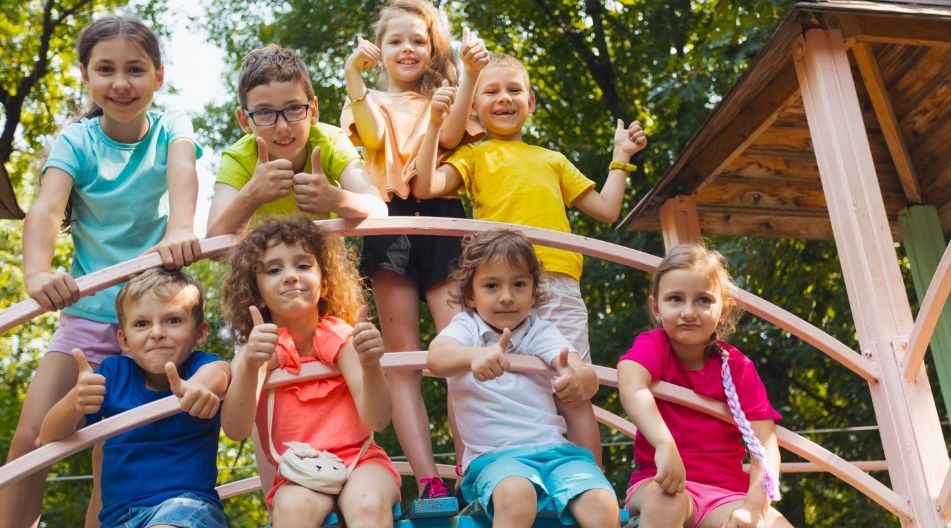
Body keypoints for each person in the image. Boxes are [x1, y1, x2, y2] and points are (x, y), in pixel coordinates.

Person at [2, 15, 204, 528]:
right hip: (88, 318)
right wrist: (37, 273)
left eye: (135, 69)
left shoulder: (171, 128)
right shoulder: (77, 141)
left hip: (149, 317)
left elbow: (183, 172)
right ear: (87, 77)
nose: (121, 83)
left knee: (111, 451)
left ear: (158, 76)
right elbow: (48, 209)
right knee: (31, 440)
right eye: (106, 69)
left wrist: (181, 226)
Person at [413, 52, 648, 465]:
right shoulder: (474, 155)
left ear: (531, 102)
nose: (504, 98)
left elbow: (607, 209)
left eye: (514, 90)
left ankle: (589, 483)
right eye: (491, 91)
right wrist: (435, 124)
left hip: (557, 283)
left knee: (573, 388)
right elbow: (428, 184)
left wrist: (621, 156)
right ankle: (486, 474)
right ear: (473, 107)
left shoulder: (552, 159)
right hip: (501, 289)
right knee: (490, 386)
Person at [339, 0, 488, 499]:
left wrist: (467, 77)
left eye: (418, 41)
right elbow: (377, 137)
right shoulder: (365, 98)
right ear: (378, 52)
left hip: (444, 217)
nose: (407, 49)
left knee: (460, 348)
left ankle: (473, 469)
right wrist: (352, 79)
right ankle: (428, 480)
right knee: (401, 357)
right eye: (395, 41)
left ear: (432, 50)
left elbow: (448, 136)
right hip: (388, 220)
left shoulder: (444, 97)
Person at [427, 229, 620, 528]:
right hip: (495, 459)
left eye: (519, 284)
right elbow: (436, 358)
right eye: (492, 286)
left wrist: (577, 378)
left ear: (533, 291)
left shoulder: (537, 329)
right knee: (517, 495)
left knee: (602, 504)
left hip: (558, 454)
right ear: (470, 295)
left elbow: (580, 370)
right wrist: (473, 356)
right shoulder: (466, 327)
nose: (507, 297)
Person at [220, 217, 400, 527]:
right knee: (291, 510)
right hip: (299, 472)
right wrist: (250, 365)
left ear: (325, 281)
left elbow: (378, 419)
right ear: (258, 292)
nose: (290, 276)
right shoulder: (259, 349)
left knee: (368, 503)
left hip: (361, 460)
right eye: (274, 270)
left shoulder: (341, 337)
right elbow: (235, 429)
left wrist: (370, 366)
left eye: (302, 266)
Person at [37, 268, 231, 528]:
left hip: (185, 508)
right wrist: (74, 402)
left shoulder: (201, 366)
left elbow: (220, 372)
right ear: (124, 339)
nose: (157, 332)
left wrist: (198, 387)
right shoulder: (113, 374)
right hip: (118, 519)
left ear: (200, 333)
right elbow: (48, 436)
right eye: (142, 324)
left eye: (173, 320)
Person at [617, 244, 792, 528]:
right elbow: (630, 381)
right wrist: (664, 445)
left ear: (724, 309)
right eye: (675, 299)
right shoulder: (655, 345)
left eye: (703, 300)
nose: (689, 311)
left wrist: (753, 507)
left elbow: (764, 444)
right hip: (661, 481)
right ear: (655, 308)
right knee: (667, 501)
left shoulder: (736, 366)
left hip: (725, 495)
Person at [206, 44, 387, 237]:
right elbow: (214, 240)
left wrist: (335, 199)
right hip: (262, 264)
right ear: (244, 121)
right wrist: (252, 195)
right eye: (265, 112)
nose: (282, 126)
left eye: (293, 108)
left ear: (313, 110)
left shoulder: (330, 141)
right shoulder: (238, 158)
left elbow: (379, 210)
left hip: (320, 261)